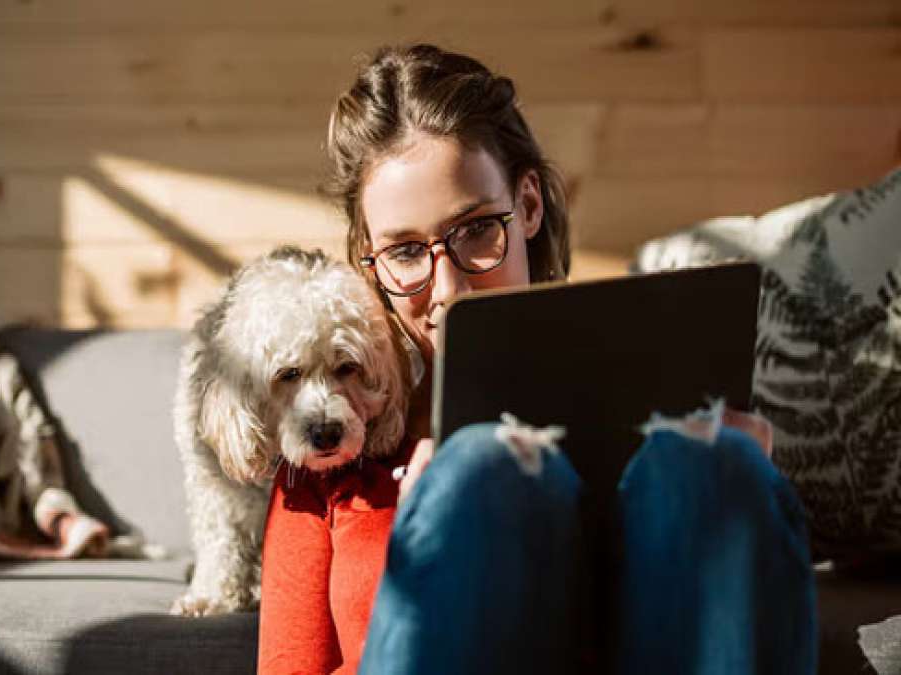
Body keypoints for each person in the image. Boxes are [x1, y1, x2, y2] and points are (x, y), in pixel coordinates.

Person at [257, 44, 817, 675]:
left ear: (526, 206)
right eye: (407, 251)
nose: (448, 290)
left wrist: (739, 483)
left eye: (475, 231)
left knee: (714, 463)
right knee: (483, 468)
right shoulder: (328, 460)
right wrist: (434, 526)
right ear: (370, 258)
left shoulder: (668, 447)